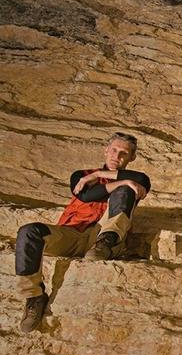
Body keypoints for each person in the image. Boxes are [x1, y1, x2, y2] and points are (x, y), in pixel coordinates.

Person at [15, 132, 151, 332]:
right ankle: (34, 296)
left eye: (124, 153)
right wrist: (102, 177)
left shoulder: (135, 180)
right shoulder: (80, 175)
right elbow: (86, 195)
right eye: (114, 150)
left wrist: (100, 176)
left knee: (126, 191)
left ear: (132, 158)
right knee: (28, 232)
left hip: (101, 239)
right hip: (70, 235)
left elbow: (140, 178)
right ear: (106, 150)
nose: (117, 156)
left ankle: (105, 242)